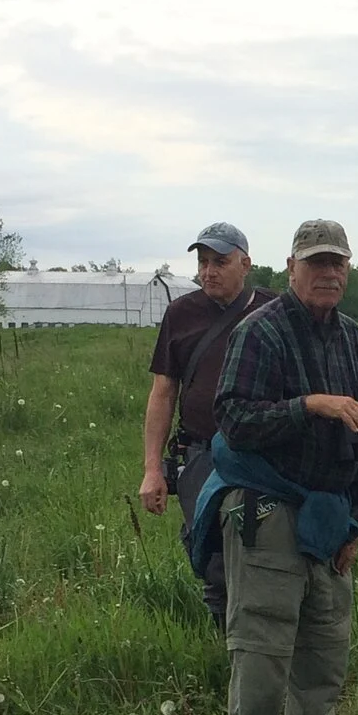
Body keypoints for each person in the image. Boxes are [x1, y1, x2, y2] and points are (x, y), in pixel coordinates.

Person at [196, 218, 358, 715]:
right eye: (316, 262)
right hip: (269, 511)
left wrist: (357, 521)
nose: (328, 272)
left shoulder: (352, 338)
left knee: (324, 657)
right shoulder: (261, 333)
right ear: (291, 268)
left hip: (330, 517)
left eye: (337, 263)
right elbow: (234, 422)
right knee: (263, 652)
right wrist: (309, 406)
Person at [141, 222, 278, 624]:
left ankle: (268, 637)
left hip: (262, 454)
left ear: (246, 263)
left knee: (268, 546)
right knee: (211, 554)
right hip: (201, 454)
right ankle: (226, 642)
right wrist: (152, 470)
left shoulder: (276, 310)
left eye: (220, 261)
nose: (209, 271)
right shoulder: (180, 315)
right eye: (203, 262)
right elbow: (163, 392)